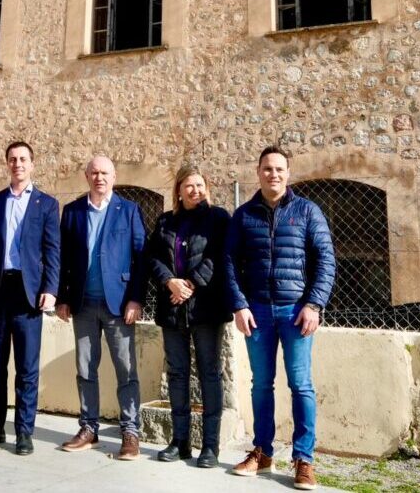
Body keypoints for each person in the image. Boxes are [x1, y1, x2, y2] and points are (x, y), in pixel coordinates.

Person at [224, 146, 336, 491]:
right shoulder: (243, 216)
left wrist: (314, 305)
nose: (273, 174)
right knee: (261, 385)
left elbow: (326, 260)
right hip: (256, 311)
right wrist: (239, 306)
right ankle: (262, 451)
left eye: (279, 169)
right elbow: (229, 263)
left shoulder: (307, 211)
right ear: (258, 172)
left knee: (301, 385)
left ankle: (304, 459)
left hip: (296, 312)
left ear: (288, 174)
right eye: (267, 169)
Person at [0, 141, 60, 456]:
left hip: (29, 295)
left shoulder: (47, 204)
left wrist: (50, 288)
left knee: (27, 368)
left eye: (23, 159)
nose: (17, 164)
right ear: (7, 164)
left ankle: (24, 432)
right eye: (12, 159)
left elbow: (52, 250)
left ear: (32, 164)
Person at [56, 156, 147, 460]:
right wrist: (62, 297)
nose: (99, 177)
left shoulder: (129, 211)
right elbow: (63, 259)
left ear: (114, 176)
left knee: (126, 370)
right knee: (85, 369)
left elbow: (140, 258)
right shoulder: (72, 212)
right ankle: (88, 429)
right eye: (94, 172)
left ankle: (130, 432)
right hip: (82, 304)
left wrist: (136, 298)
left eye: (105, 173)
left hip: (119, 305)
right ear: (86, 176)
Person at [144, 164, 232, 468]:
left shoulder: (218, 219)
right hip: (172, 308)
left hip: (206, 308)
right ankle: (179, 442)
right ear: (179, 191)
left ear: (206, 187)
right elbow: (153, 257)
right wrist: (170, 281)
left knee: (209, 374)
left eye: (199, 185)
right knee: (178, 374)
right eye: (188, 186)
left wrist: (190, 284)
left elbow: (219, 257)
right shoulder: (166, 221)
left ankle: (210, 446)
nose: (194, 191)